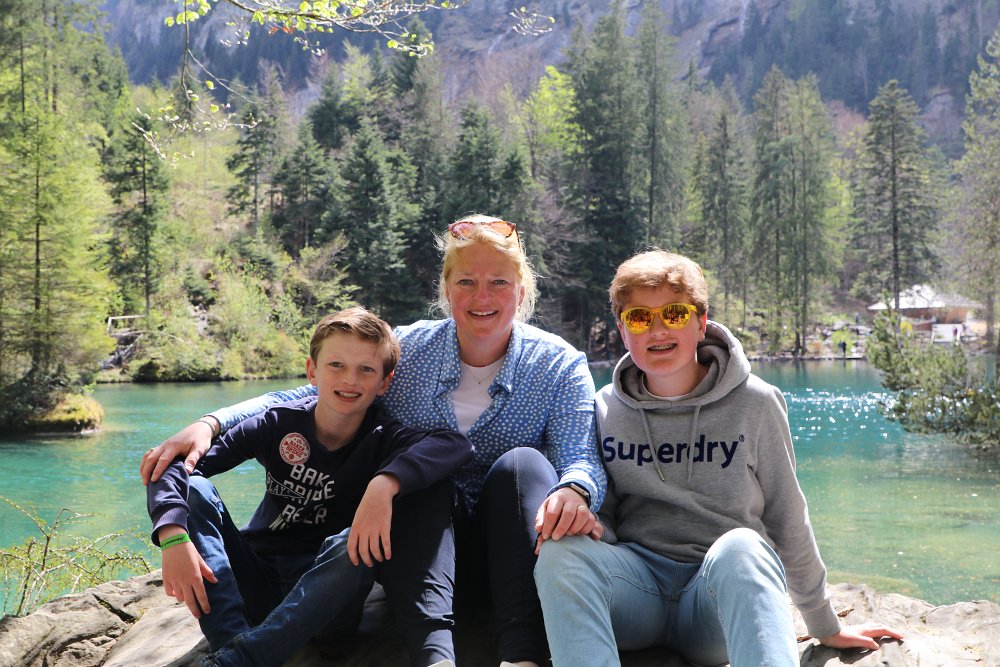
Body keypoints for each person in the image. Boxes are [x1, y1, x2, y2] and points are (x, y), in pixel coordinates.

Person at [141, 214, 607, 667]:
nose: (481, 296)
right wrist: (211, 423)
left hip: (510, 553)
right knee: (425, 483)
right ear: (446, 290)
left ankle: (521, 656)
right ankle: (434, 658)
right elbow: (311, 395)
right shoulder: (410, 350)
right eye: (466, 281)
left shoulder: (557, 365)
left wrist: (576, 490)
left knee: (521, 465)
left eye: (498, 282)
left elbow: (582, 458)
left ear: (521, 291)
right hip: (418, 555)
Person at [534, 250, 903, 667]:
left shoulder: (756, 403)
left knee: (745, 546)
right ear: (622, 330)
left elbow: (786, 514)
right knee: (560, 551)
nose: (658, 330)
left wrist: (823, 624)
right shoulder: (605, 407)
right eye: (639, 318)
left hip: (715, 605)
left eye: (674, 314)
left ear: (700, 322)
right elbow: (609, 516)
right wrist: (588, 524)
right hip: (637, 595)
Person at [146, 307, 473, 667]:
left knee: (352, 545)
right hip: (257, 582)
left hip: (327, 604)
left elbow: (455, 445)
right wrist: (172, 535)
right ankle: (229, 645)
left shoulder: (385, 439)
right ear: (312, 370)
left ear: (384, 383)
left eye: (366, 369)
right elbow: (175, 466)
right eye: (336, 365)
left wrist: (384, 483)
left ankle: (242, 660)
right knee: (195, 489)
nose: (350, 379)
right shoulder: (277, 423)